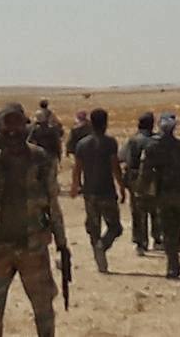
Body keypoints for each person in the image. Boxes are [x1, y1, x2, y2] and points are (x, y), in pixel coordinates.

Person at [0, 69, 67, 337]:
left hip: (34, 246)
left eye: (19, 124)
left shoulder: (41, 159)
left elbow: (53, 202)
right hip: (0, 246)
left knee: (43, 307)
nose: (14, 130)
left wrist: (62, 243)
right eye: (8, 124)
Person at [138, 112, 180, 279]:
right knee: (177, 228)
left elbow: (145, 173)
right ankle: (173, 262)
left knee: (167, 228)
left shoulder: (152, 148)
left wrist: (141, 192)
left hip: (162, 194)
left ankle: (172, 263)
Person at [70, 108, 125, 273]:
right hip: (107, 191)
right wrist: (121, 186)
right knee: (115, 227)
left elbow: (77, 168)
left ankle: (98, 254)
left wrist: (75, 186)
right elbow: (115, 166)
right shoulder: (110, 142)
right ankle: (102, 246)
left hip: (89, 192)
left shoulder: (82, 144)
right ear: (105, 123)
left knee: (94, 228)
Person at [120, 112, 162, 256]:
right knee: (156, 210)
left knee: (138, 212)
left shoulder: (133, 141)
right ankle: (157, 239)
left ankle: (140, 243)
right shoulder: (157, 140)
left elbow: (122, 157)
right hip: (155, 178)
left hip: (135, 179)